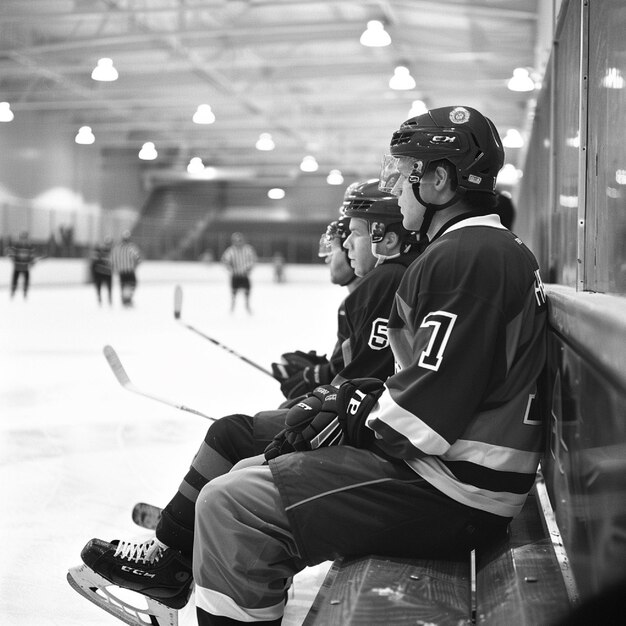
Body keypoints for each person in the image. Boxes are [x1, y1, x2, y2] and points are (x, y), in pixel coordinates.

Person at [179, 106, 547, 626]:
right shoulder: (480, 249)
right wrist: (357, 397)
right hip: (462, 474)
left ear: (440, 180)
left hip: (454, 486)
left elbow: (421, 420)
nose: (393, 188)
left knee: (232, 506)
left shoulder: (467, 256)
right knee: (246, 470)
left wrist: (355, 410)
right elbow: (442, 378)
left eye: (404, 173)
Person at [68, 184, 420, 625]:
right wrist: (314, 375)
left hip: (376, 447)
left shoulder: (383, 281)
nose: (344, 246)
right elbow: (362, 370)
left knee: (230, 434)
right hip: (383, 439)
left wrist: (315, 383)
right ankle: (180, 539)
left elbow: (360, 378)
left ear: (386, 237)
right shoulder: (390, 279)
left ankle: (171, 556)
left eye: (353, 233)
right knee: (242, 436)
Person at [221, 232, 257, 313]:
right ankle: (232, 307)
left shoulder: (248, 249)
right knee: (234, 292)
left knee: (247, 290)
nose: (238, 242)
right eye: (236, 241)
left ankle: (247, 306)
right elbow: (224, 260)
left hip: (244, 275)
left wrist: (248, 268)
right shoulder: (231, 250)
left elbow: (253, 259)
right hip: (235, 275)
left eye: (240, 240)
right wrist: (230, 269)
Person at [110, 230, 141, 307]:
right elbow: (138, 259)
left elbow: (111, 260)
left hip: (121, 271)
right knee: (132, 284)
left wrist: (115, 269)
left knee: (124, 285)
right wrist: (135, 266)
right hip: (130, 270)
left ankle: (124, 299)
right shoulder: (131, 247)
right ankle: (128, 299)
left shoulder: (116, 248)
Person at [8, 231, 37, 299]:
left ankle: (25, 292)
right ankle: (13, 291)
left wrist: (32, 262)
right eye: (22, 238)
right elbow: (11, 254)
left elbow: (31, 256)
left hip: (25, 267)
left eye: (25, 238)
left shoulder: (30, 247)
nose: (24, 240)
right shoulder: (16, 246)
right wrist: (13, 258)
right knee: (15, 280)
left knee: (26, 280)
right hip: (17, 267)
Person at [90, 238, 113, 306]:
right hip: (101, 273)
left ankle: (109, 298)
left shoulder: (110, 252)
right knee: (99, 287)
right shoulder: (100, 252)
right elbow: (94, 264)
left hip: (106, 273)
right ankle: (101, 298)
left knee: (108, 287)